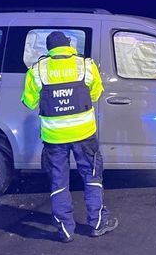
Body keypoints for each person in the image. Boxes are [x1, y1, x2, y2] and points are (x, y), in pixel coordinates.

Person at [21, 31, 118, 243]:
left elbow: (28, 101)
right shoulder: (85, 65)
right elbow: (95, 93)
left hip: (54, 137)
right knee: (92, 177)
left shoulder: (37, 70)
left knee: (58, 180)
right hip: (84, 134)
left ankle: (64, 229)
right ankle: (97, 223)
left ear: (49, 48)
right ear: (69, 45)